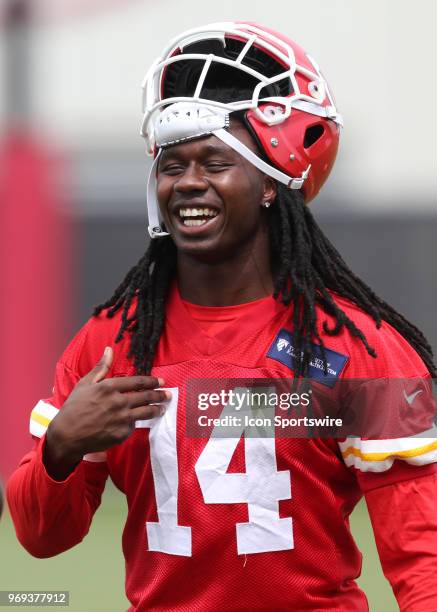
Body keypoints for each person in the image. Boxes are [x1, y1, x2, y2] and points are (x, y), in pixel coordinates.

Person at [7, 22, 437, 611]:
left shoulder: (362, 345)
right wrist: (60, 448)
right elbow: (40, 539)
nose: (187, 183)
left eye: (214, 162)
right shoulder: (112, 341)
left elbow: (423, 558)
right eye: (171, 164)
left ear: (269, 183)